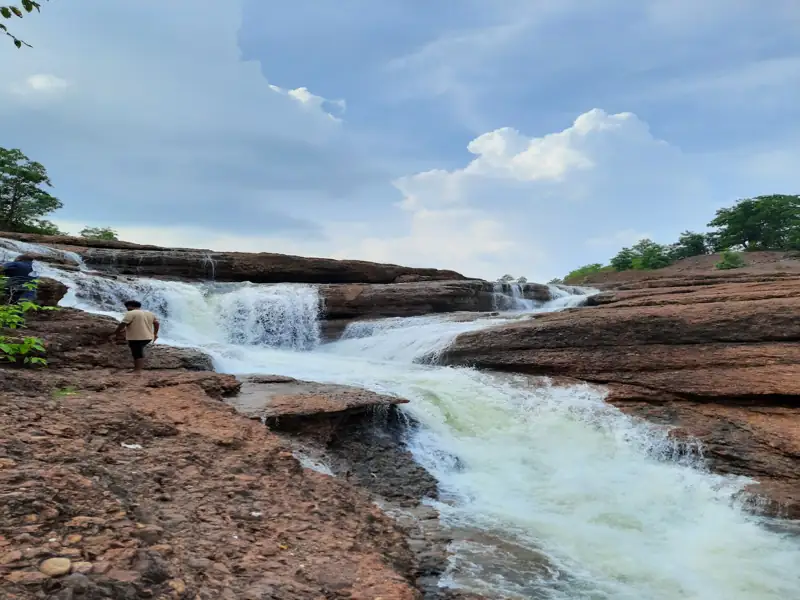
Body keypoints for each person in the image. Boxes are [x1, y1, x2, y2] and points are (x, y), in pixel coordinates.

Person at [112, 300, 160, 373]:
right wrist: (155, 334)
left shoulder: (131, 313)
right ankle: (137, 369)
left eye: (127, 307)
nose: (127, 309)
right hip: (148, 337)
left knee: (137, 353)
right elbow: (156, 323)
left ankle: (137, 370)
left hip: (137, 337)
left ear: (129, 306)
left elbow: (123, 324)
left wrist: (117, 332)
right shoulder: (149, 313)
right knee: (138, 352)